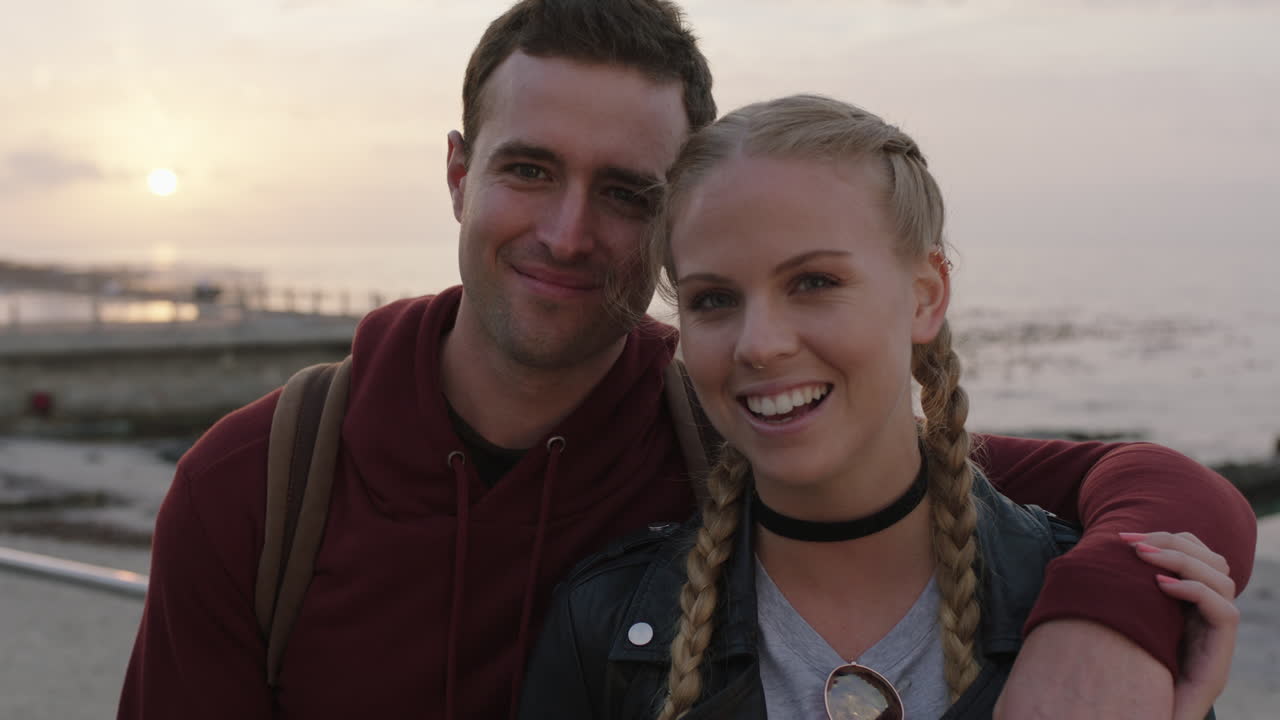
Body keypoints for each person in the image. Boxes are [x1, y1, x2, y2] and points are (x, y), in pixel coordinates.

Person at [117, 2, 1255, 719]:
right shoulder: (262, 482)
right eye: (527, 169)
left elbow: (1141, 486)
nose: (566, 233)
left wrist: (1100, 624)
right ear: (458, 172)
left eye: (625, 194)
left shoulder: (735, 414)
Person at [517, 94, 1243, 720]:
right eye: (714, 299)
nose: (759, 345)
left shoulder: (1092, 618)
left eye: (814, 282)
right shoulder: (606, 623)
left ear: (927, 293)